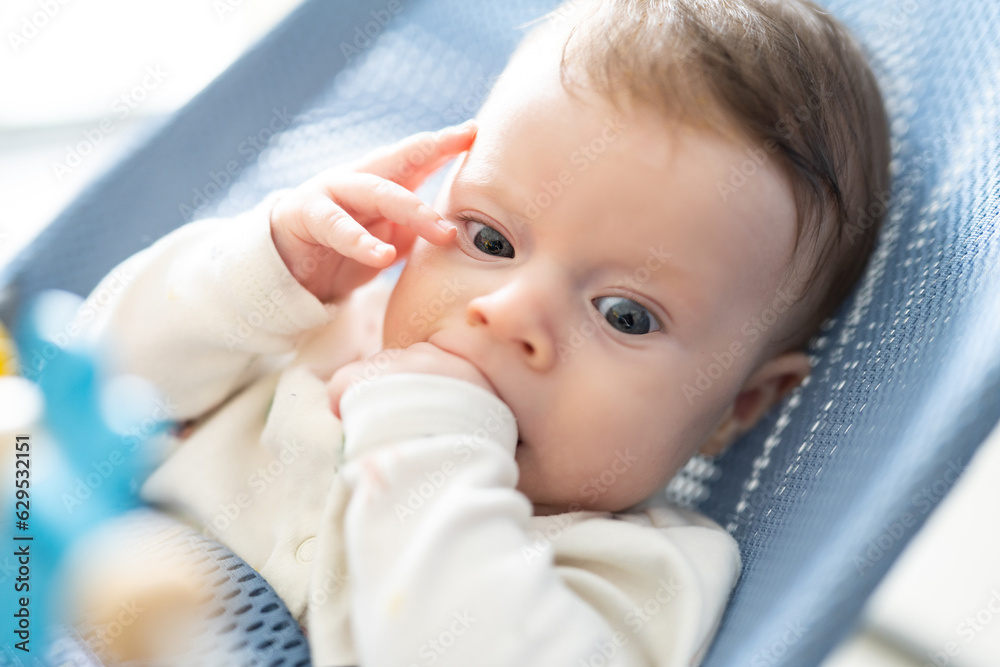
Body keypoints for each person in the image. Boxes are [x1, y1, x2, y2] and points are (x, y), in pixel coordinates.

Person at [76, 0, 890, 664]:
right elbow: (92, 381)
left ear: (737, 406)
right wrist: (260, 270)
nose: (505, 312)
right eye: (490, 240)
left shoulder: (636, 571)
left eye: (626, 315)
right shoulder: (317, 330)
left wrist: (428, 442)